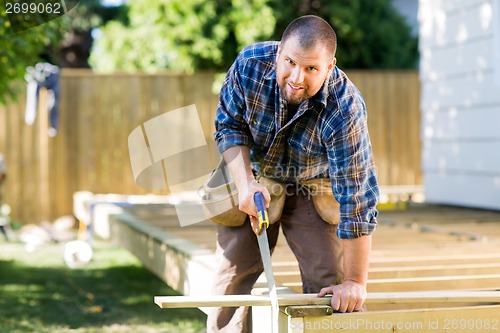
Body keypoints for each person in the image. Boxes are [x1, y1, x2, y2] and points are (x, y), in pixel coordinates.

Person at [207, 15, 379, 332]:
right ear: (279, 53)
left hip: (313, 184)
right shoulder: (249, 65)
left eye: (311, 68)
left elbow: (357, 199)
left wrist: (355, 282)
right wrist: (245, 185)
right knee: (232, 277)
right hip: (255, 175)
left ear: (330, 67)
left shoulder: (345, 109)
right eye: (290, 62)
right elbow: (230, 127)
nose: (296, 77)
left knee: (329, 284)